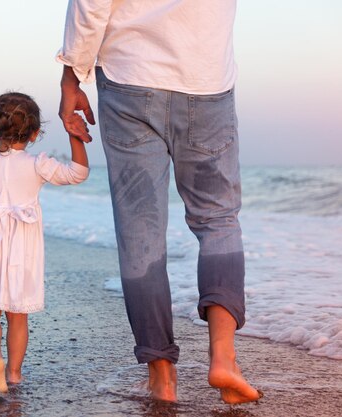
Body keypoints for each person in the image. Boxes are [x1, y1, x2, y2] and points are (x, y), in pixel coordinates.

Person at [57, 0, 261, 404]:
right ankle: (224, 357)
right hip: (207, 79)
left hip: (129, 77)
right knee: (218, 220)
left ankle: (162, 378)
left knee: (140, 234)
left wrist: (71, 75)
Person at [0, 92, 89, 393]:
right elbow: (78, 174)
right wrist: (76, 137)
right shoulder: (38, 164)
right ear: (34, 133)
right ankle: (15, 374)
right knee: (18, 315)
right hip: (22, 243)